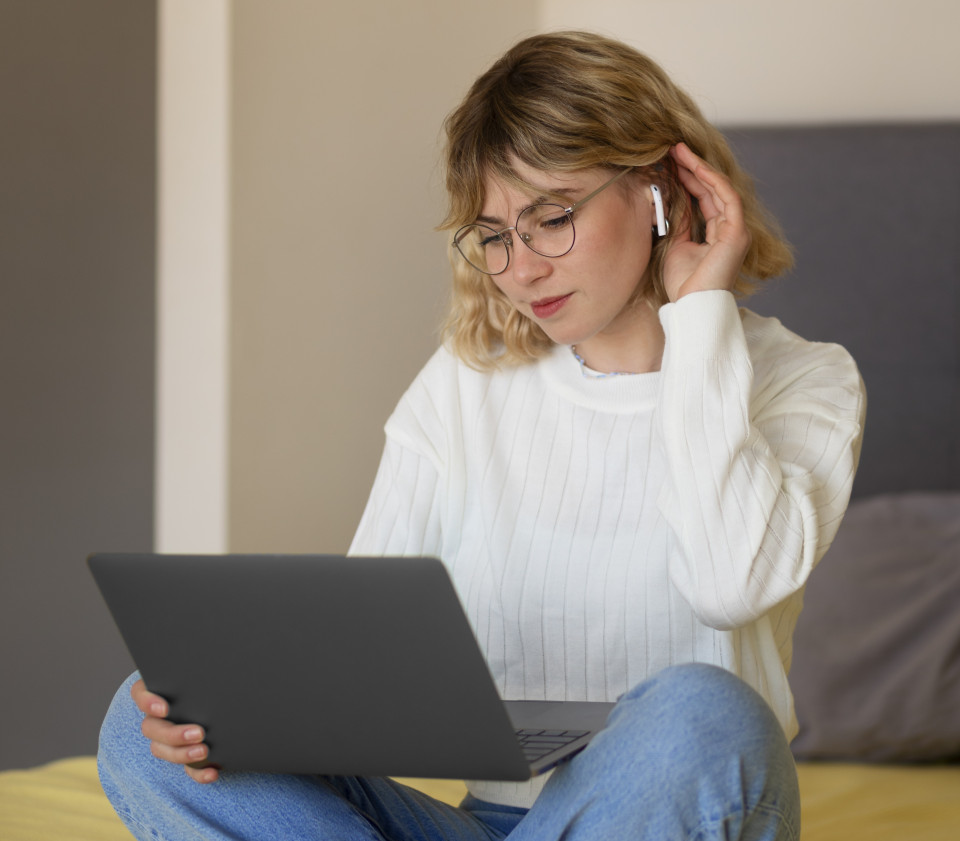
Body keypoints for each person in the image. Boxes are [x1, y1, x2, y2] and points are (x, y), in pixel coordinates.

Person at [98, 30, 865, 841]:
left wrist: (699, 318)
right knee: (145, 722)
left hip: (678, 806)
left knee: (704, 712)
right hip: (492, 822)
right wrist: (236, 707)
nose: (521, 269)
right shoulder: (468, 382)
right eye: (496, 235)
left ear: (660, 192)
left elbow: (728, 584)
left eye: (552, 218)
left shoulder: (806, 381)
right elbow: (359, 656)